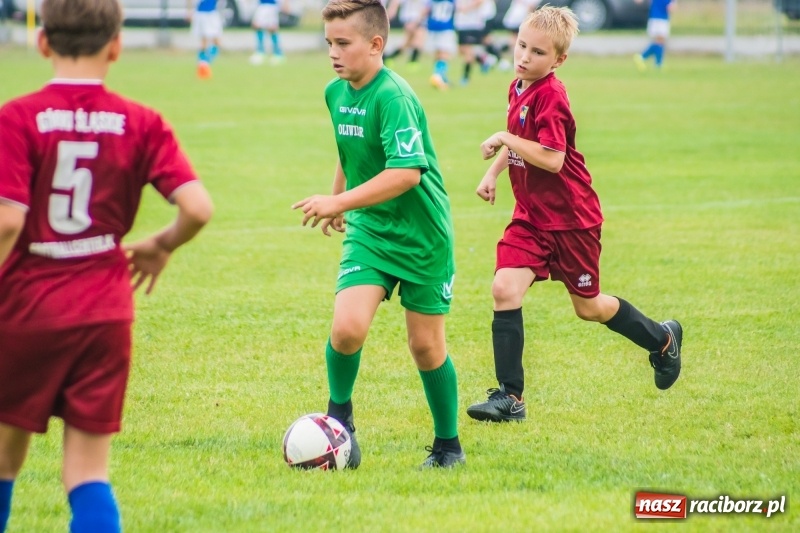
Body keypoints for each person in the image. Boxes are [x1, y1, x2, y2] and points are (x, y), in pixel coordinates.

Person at [0, 0, 214, 530]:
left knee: (5, 460)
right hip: (105, 312)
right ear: (116, 46)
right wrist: (163, 244)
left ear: (42, 41)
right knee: (87, 471)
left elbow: (8, 221)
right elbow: (197, 208)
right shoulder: (140, 121)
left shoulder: (17, 117)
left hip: (27, 308)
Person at [467, 6, 682, 423]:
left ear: (559, 60)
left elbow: (551, 158)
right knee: (504, 289)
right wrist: (493, 172)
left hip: (572, 220)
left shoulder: (552, 96)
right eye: (521, 45)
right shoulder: (518, 87)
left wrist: (504, 137)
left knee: (589, 308)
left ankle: (662, 339)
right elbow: (521, 142)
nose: (525, 57)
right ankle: (511, 398)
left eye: (538, 53)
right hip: (531, 217)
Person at [292, 0, 464, 468]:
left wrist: (338, 202)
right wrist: (337, 197)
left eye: (343, 43)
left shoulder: (395, 97)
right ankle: (338, 421)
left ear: (376, 44)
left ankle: (448, 446)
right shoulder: (335, 91)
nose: (333, 52)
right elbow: (350, 149)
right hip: (371, 228)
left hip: (422, 234)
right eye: (328, 42)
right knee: (347, 330)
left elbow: (407, 173)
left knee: (425, 345)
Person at [384, 0, 427, 69]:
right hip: (410, 20)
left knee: (409, 43)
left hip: (419, 20)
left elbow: (426, 8)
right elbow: (396, 3)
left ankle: (390, 57)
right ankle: (413, 62)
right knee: (414, 41)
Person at [633, 0, 675, 70]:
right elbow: (670, 7)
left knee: (658, 42)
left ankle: (657, 64)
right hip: (662, 18)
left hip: (653, 17)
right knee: (660, 42)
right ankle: (642, 57)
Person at [425, 0, 457, 89]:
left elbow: (427, 9)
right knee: (444, 54)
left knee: (438, 53)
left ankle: (439, 76)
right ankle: (439, 77)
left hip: (433, 27)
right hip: (445, 27)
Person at [189, 0, 223, 78]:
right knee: (204, 42)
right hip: (201, 14)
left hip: (212, 14)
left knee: (217, 42)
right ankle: (203, 67)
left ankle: (204, 64)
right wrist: (190, 11)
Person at [249, 0, 287, 66]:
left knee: (272, 28)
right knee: (258, 26)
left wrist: (285, 3)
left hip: (272, 5)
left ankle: (278, 54)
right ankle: (260, 52)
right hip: (261, 4)